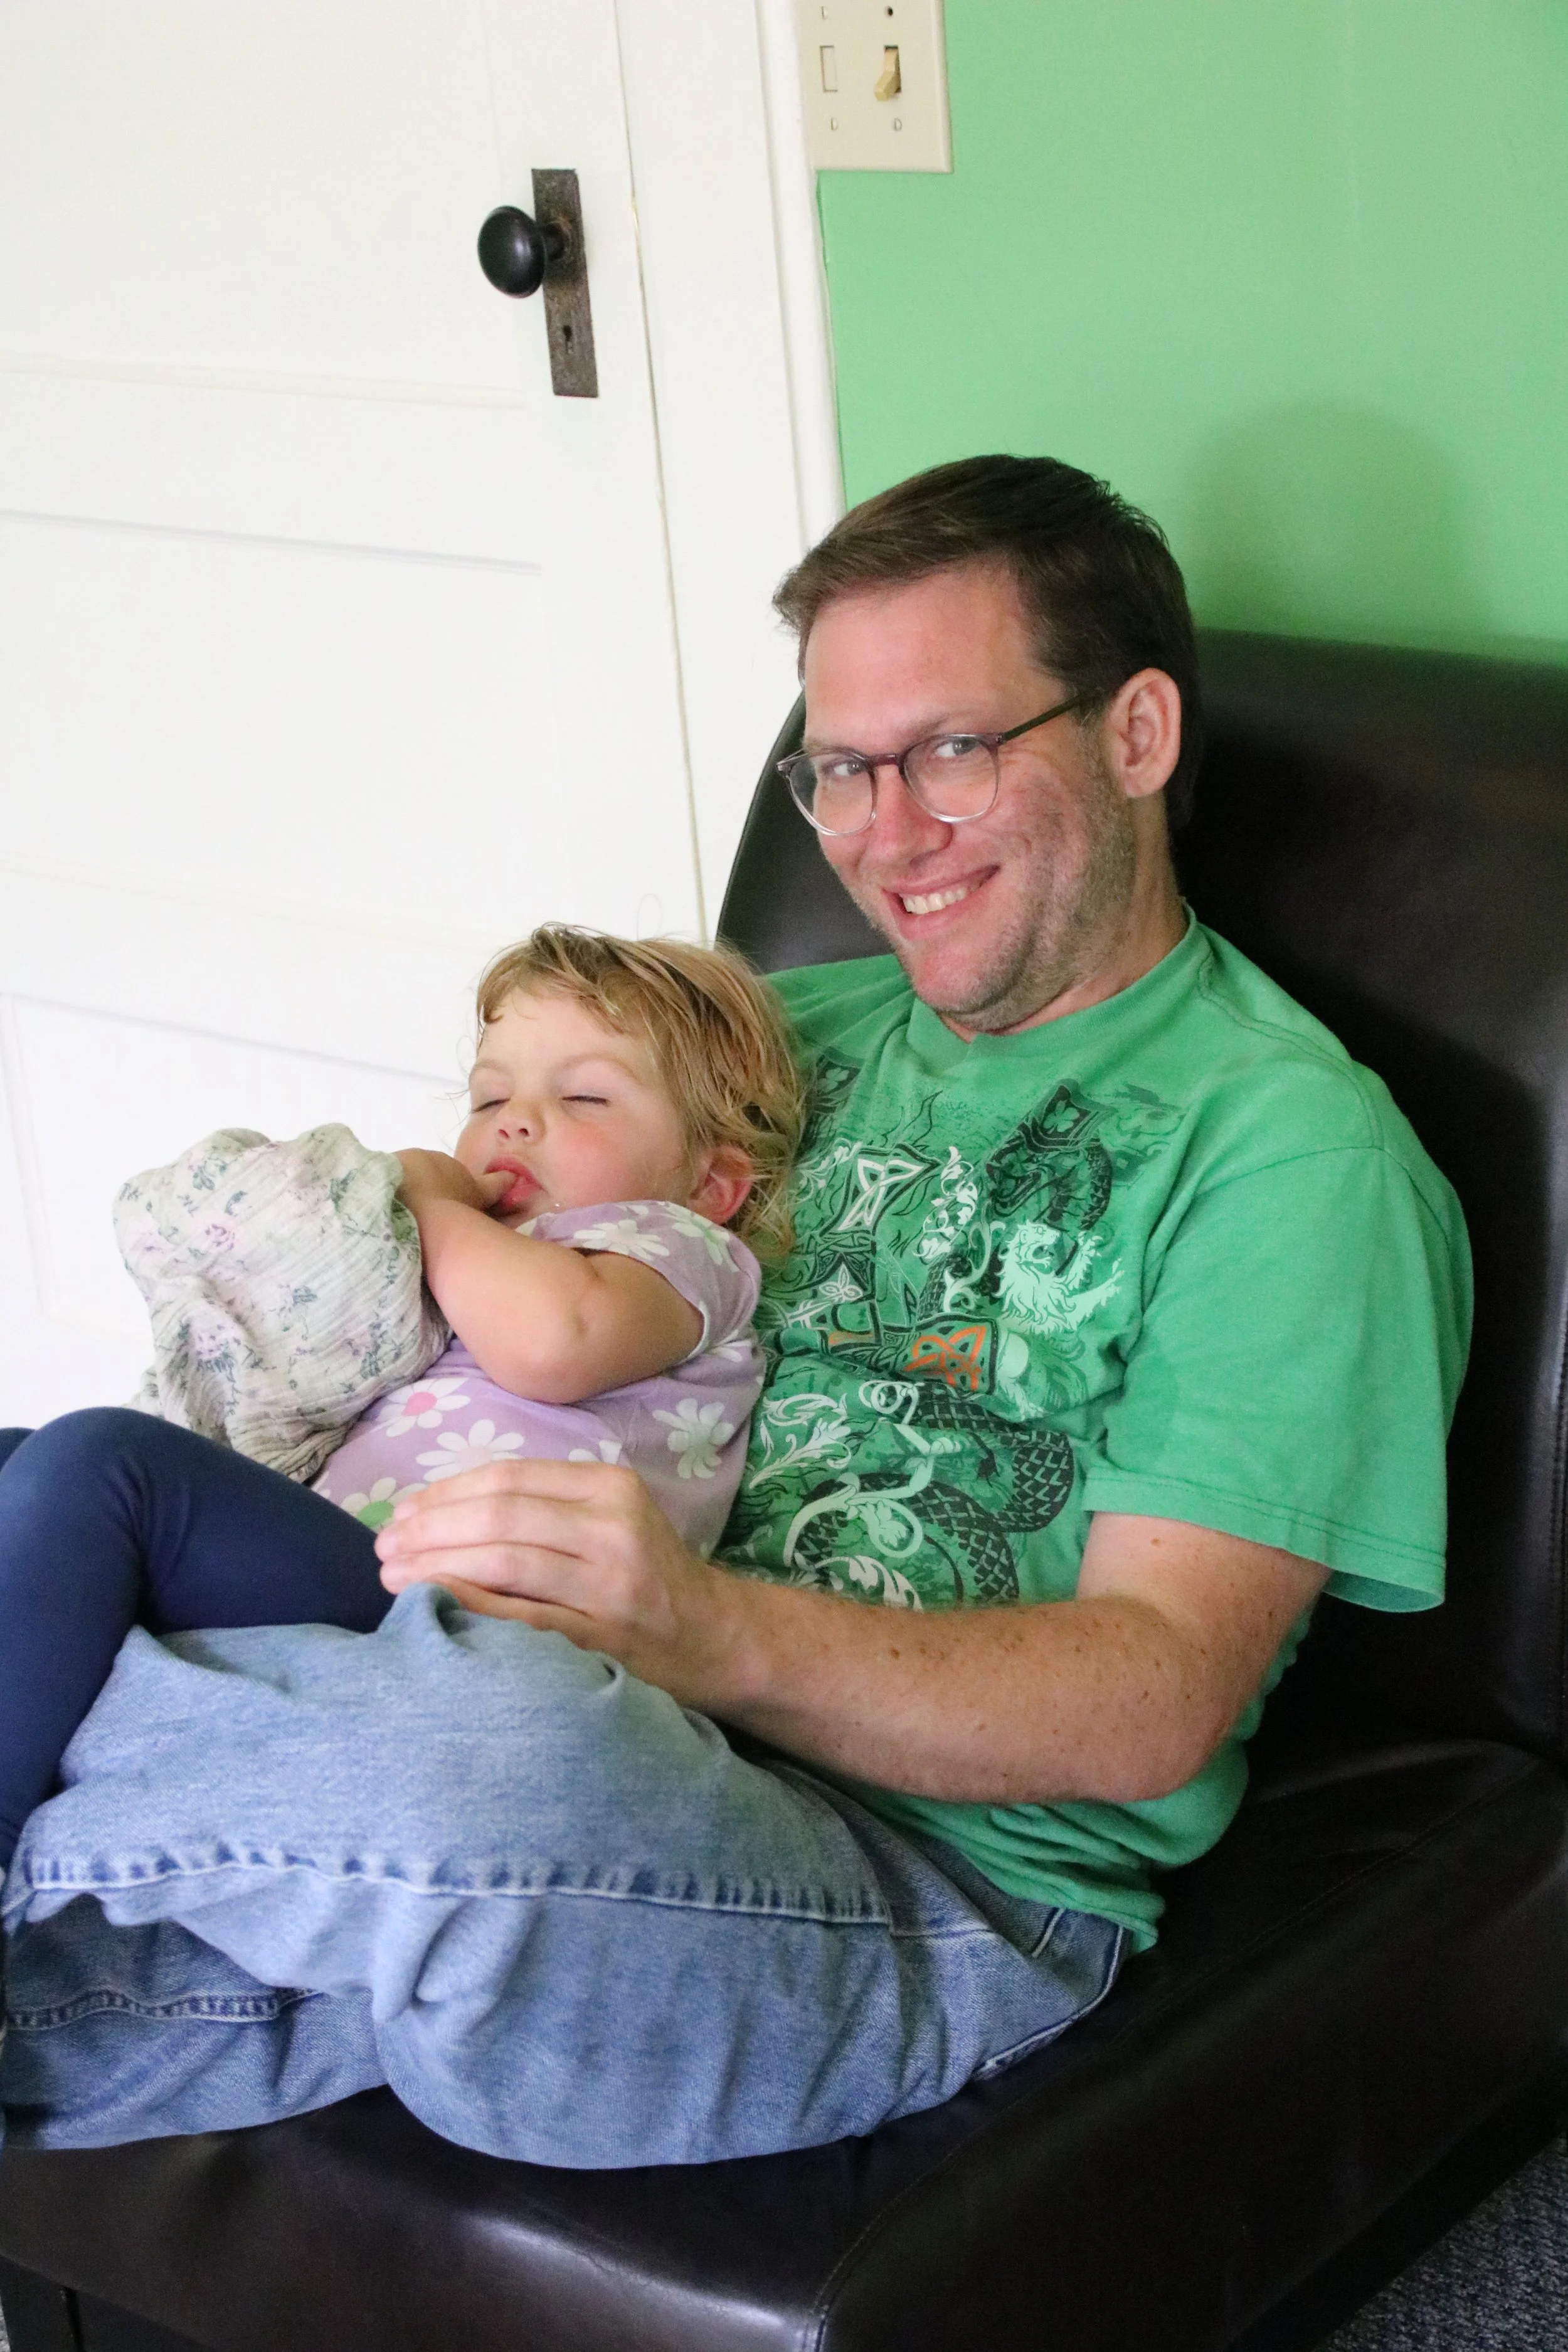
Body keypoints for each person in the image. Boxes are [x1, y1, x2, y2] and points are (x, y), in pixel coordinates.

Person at [0, 455, 1470, 2172]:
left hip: (913, 1876)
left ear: (1133, 735)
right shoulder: (773, 1031)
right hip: (565, 1713)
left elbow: (1156, 1696)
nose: (877, 837)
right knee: (59, 1485)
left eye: (946, 750)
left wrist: (686, 1627)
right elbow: (497, 1264)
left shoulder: (1285, 1149)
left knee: (476, 1746)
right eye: (839, 769)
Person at [0, 926, 803, 1872]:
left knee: (104, 1466)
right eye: (491, 1095)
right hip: (367, 1568)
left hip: (483, 1624)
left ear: (711, 1181)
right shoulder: (483, 1256)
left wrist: (429, 1204)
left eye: (582, 1095)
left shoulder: (676, 1250)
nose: (515, 1121)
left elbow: (553, 1340)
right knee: (23, 1456)